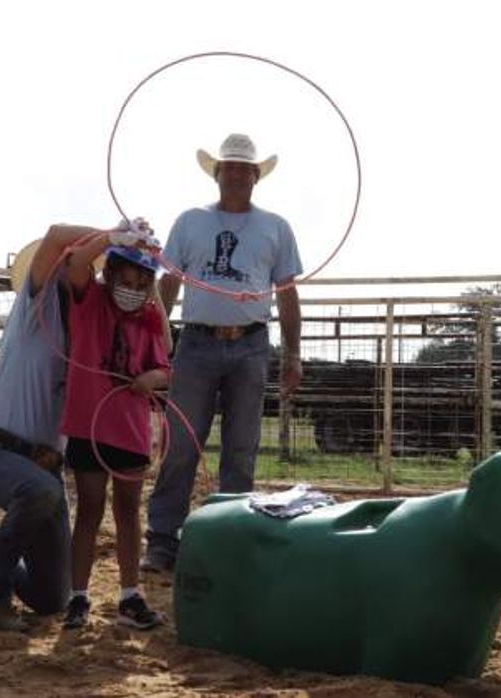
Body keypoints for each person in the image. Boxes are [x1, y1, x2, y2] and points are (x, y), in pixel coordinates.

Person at [0, 220, 154, 631]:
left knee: (50, 596)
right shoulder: (35, 308)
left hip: (41, 467)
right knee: (41, 491)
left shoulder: (95, 327)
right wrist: (115, 235)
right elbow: (56, 235)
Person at [143, 133, 304, 572]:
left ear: (255, 177)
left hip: (252, 343)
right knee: (181, 444)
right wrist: (158, 338)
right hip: (196, 341)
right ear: (217, 174)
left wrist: (293, 354)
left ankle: (230, 535)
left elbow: (287, 295)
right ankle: (162, 539)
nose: (235, 174)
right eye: (228, 167)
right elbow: (169, 285)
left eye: (243, 168)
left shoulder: (276, 227)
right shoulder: (189, 221)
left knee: (241, 447)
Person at [57, 237, 171, 630]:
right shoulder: (88, 303)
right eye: (128, 281)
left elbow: (164, 367)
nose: (134, 292)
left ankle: (129, 595)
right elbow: (74, 262)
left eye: (143, 285)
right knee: (89, 508)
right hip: (89, 425)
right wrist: (113, 236)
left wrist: (150, 378)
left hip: (130, 428)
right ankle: (78, 596)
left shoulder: (151, 319)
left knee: (128, 510)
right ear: (109, 274)